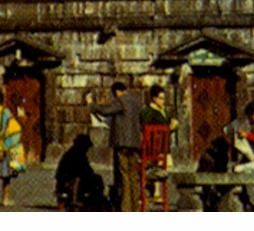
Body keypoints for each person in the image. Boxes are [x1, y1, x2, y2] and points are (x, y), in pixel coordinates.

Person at [92, 79, 144, 211]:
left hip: (123, 144)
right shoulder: (137, 101)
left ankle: (126, 208)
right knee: (133, 175)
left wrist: (92, 106)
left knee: (125, 175)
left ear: (117, 92)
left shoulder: (121, 101)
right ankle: (136, 207)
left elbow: (106, 110)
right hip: (135, 143)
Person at [140, 86, 177, 201]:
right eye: (160, 98)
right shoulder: (148, 111)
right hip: (153, 146)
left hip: (164, 145)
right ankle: (153, 189)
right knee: (156, 164)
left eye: (163, 99)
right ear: (154, 99)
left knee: (165, 166)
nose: (162, 101)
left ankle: (157, 189)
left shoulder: (163, 110)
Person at [54, 133, 107, 212]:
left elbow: (87, 170)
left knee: (95, 179)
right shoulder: (76, 155)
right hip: (69, 182)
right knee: (95, 180)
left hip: (68, 181)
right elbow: (84, 171)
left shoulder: (75, 153)